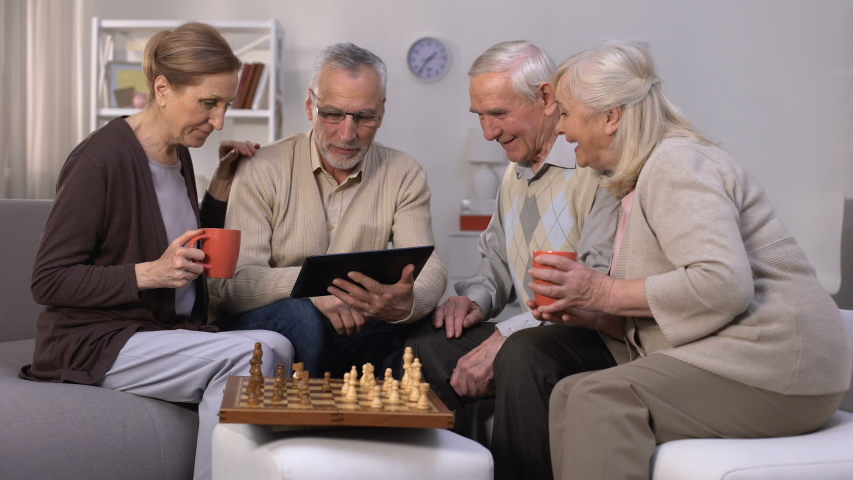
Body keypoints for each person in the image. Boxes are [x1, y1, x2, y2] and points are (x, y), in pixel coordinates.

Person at [532, 40, 853, 480]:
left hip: (782, 366)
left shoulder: (676, 163)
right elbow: (682, 301)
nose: (559, 127)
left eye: (565, 112)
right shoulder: (634, 181)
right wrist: (596, 312)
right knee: (571, 393)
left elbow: (723, 284)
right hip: (741, 357)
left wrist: (600, 289)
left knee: (601, 398)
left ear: (611, 117)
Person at [20, 22, 294, 480]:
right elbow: (48, 280)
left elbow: (176, 240)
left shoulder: (178, 153)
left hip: (161, 331)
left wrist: (222, 184)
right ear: (162, 89)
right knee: (252, 356)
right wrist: (149, 274)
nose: (220, 120)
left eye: (227, 105)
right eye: (208, 103)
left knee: (277, 344)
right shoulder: (98, 161)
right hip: (96, 341)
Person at [405, 40, 620, 480]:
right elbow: (496, 264)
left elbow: (594, 288)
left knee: (521, 354)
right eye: (479, 116)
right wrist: (475, 303)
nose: (488, 132)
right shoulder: (512, 174)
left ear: (545, 98)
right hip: (532, 329)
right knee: (424, 347)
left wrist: (506, 333)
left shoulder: (593, 168)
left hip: (592, 335)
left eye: (499, 114)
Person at [211, 43, 447, 378]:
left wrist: (404, 304)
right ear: (310, 106)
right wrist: (315, 293)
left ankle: (375, 423)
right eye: (333, 114)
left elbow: (429, 268)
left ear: (382, 111)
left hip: (355, 327)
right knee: (303, 319)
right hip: (274, 322)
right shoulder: (262, 167)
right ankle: (304, 425)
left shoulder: (404, 172)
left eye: (365, 117)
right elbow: (234, 286)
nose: (347, 134)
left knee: (425, 333)